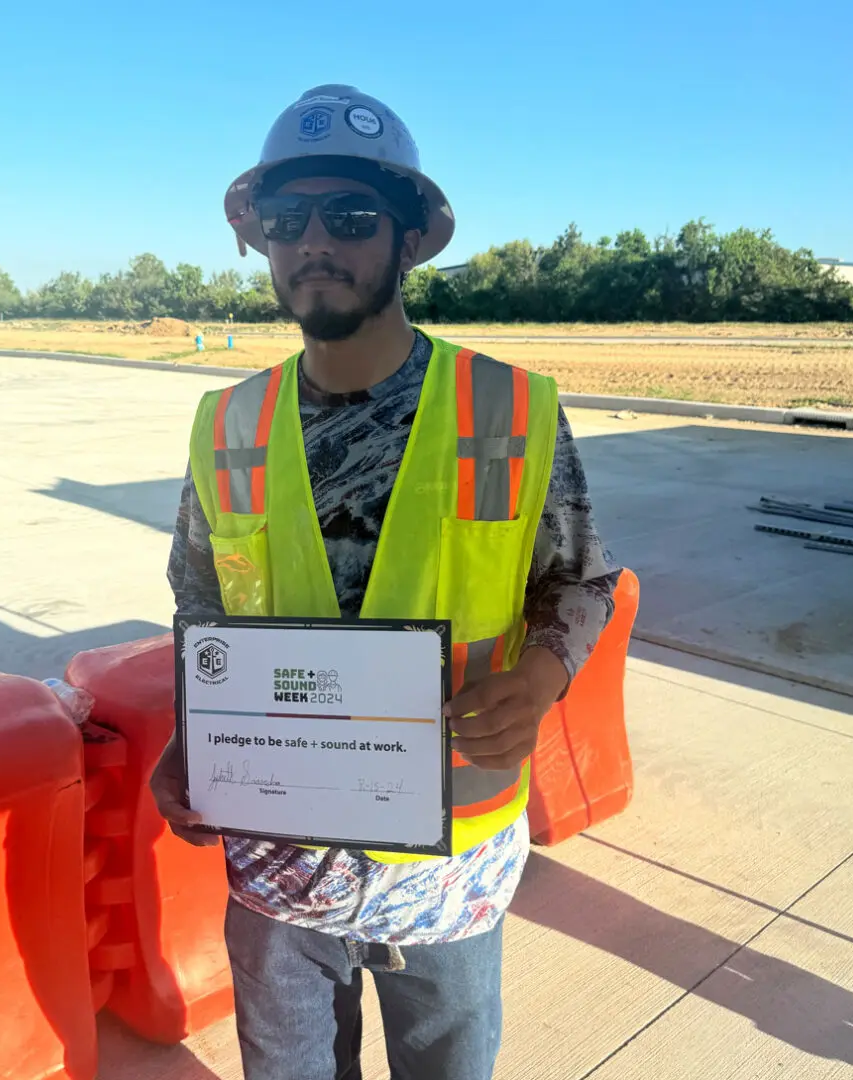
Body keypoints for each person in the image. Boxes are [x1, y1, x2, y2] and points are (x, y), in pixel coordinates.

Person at [152, 84, 620, 1080]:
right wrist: (189, 738)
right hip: (279, 854)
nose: (314, 241)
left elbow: (580, 583)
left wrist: (536, 685)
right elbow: (201, 602)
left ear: (408, 238)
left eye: (351, 216)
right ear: (260, 242)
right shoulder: (227, 422)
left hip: (449, 850)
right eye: (287, 220)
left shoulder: (504, 408)